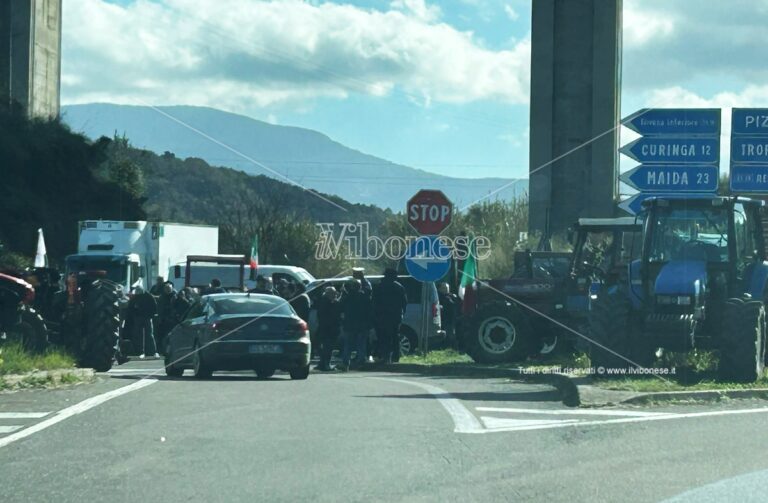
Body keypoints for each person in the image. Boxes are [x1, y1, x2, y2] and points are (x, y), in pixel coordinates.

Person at [372, 268, 408, 364]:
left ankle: (384, 356)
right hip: (395, 317)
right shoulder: (399, 287)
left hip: (381, 317)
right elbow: (404, 303)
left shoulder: (379, 286)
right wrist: (402, 313)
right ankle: (395, 357)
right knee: (394, 337)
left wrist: (375, 315)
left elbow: (374, 302)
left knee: (382, 337)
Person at [339, 278, 373, 371]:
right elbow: (370, 312)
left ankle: (345, 363)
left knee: (348, 345)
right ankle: (361, 363)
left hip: (349, 325)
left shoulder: (347, 298)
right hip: (362, 325)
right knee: (361, 345)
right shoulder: (365, 297)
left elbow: (340, 309)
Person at [314, 286, 342, 371]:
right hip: (330, 329)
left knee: (324, 347)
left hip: (324, 328)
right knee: (328, 347)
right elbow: (335, 315)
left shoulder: (323, 302)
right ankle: (326, 364)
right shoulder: (330, 303)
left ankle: (322, 363)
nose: (335, 294)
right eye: (333, 293)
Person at [128, 286, 158, 358]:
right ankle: (141, 351)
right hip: (139, 318)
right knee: (140, 335)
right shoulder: (138, 297)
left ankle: (151, 352)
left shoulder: (148, 296)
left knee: (149, 335)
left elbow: (154, 306)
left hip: (146, 317)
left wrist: (152, 315)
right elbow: (131, 306)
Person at [437, 282, 459, 348]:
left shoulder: (451, 296)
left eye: (447, 288)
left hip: (451, 317)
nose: (447, 289)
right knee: (448, 332)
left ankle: (451, 346)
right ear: (440, 289)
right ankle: (449, 346)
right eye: (444, 288)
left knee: (451, 332)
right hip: (443, 317)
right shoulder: (438, 296)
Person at [156, 283, 177, 349]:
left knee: (172, 334)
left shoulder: (175, 296)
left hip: (172, 319)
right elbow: (159, 308)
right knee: (163, 334)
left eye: (169, 288)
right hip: (163, 319)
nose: (168, 290)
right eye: (166, 288)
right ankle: (163, 348)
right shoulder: (162, 297)